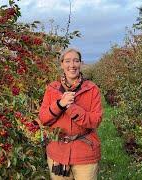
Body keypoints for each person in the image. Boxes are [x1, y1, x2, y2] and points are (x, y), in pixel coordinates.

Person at [38, 48, 103, 180]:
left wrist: (72, 108)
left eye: (76, 61)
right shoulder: (52, 89)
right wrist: (60, 104)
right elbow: (43, 118)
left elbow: (96, 120)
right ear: (62, 64)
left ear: (81, 63)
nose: (72, 65)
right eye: (67, 61)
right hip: (58, 152)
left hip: (85, 152)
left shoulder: (91, 89)